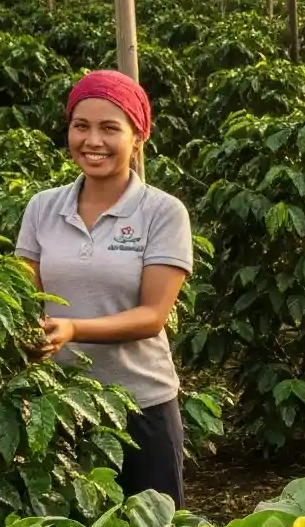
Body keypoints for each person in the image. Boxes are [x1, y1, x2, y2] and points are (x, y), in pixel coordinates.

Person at [13, 70, 196, 500]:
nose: (92, 141)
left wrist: (73, 328)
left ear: (138, 138)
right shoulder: (42, 208)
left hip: (141, 405)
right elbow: (24, 295)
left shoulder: (163, 212)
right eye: (81, 126)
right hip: (58, 405)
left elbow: (152, 316)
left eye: (110, 128)